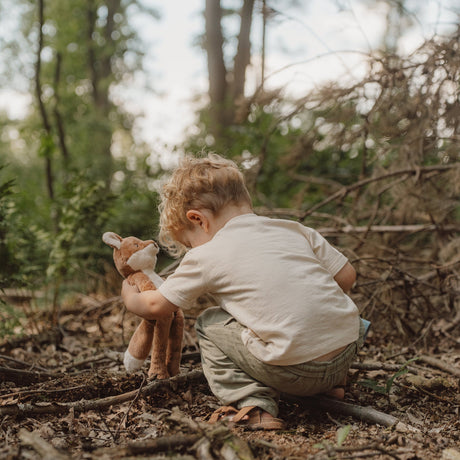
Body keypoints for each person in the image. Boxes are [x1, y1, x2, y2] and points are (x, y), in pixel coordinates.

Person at [121, 153, 366, 430]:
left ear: (198, 220)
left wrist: (130, 295)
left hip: (294, 371)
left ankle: (253, 404)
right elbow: (347, 277)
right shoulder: (294, 229)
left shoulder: (208, 254)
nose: (193, 250)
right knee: (336, 313)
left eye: (190, 243)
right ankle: (332, 386)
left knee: (208, 322)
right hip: (345, 353)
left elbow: (156, 306)